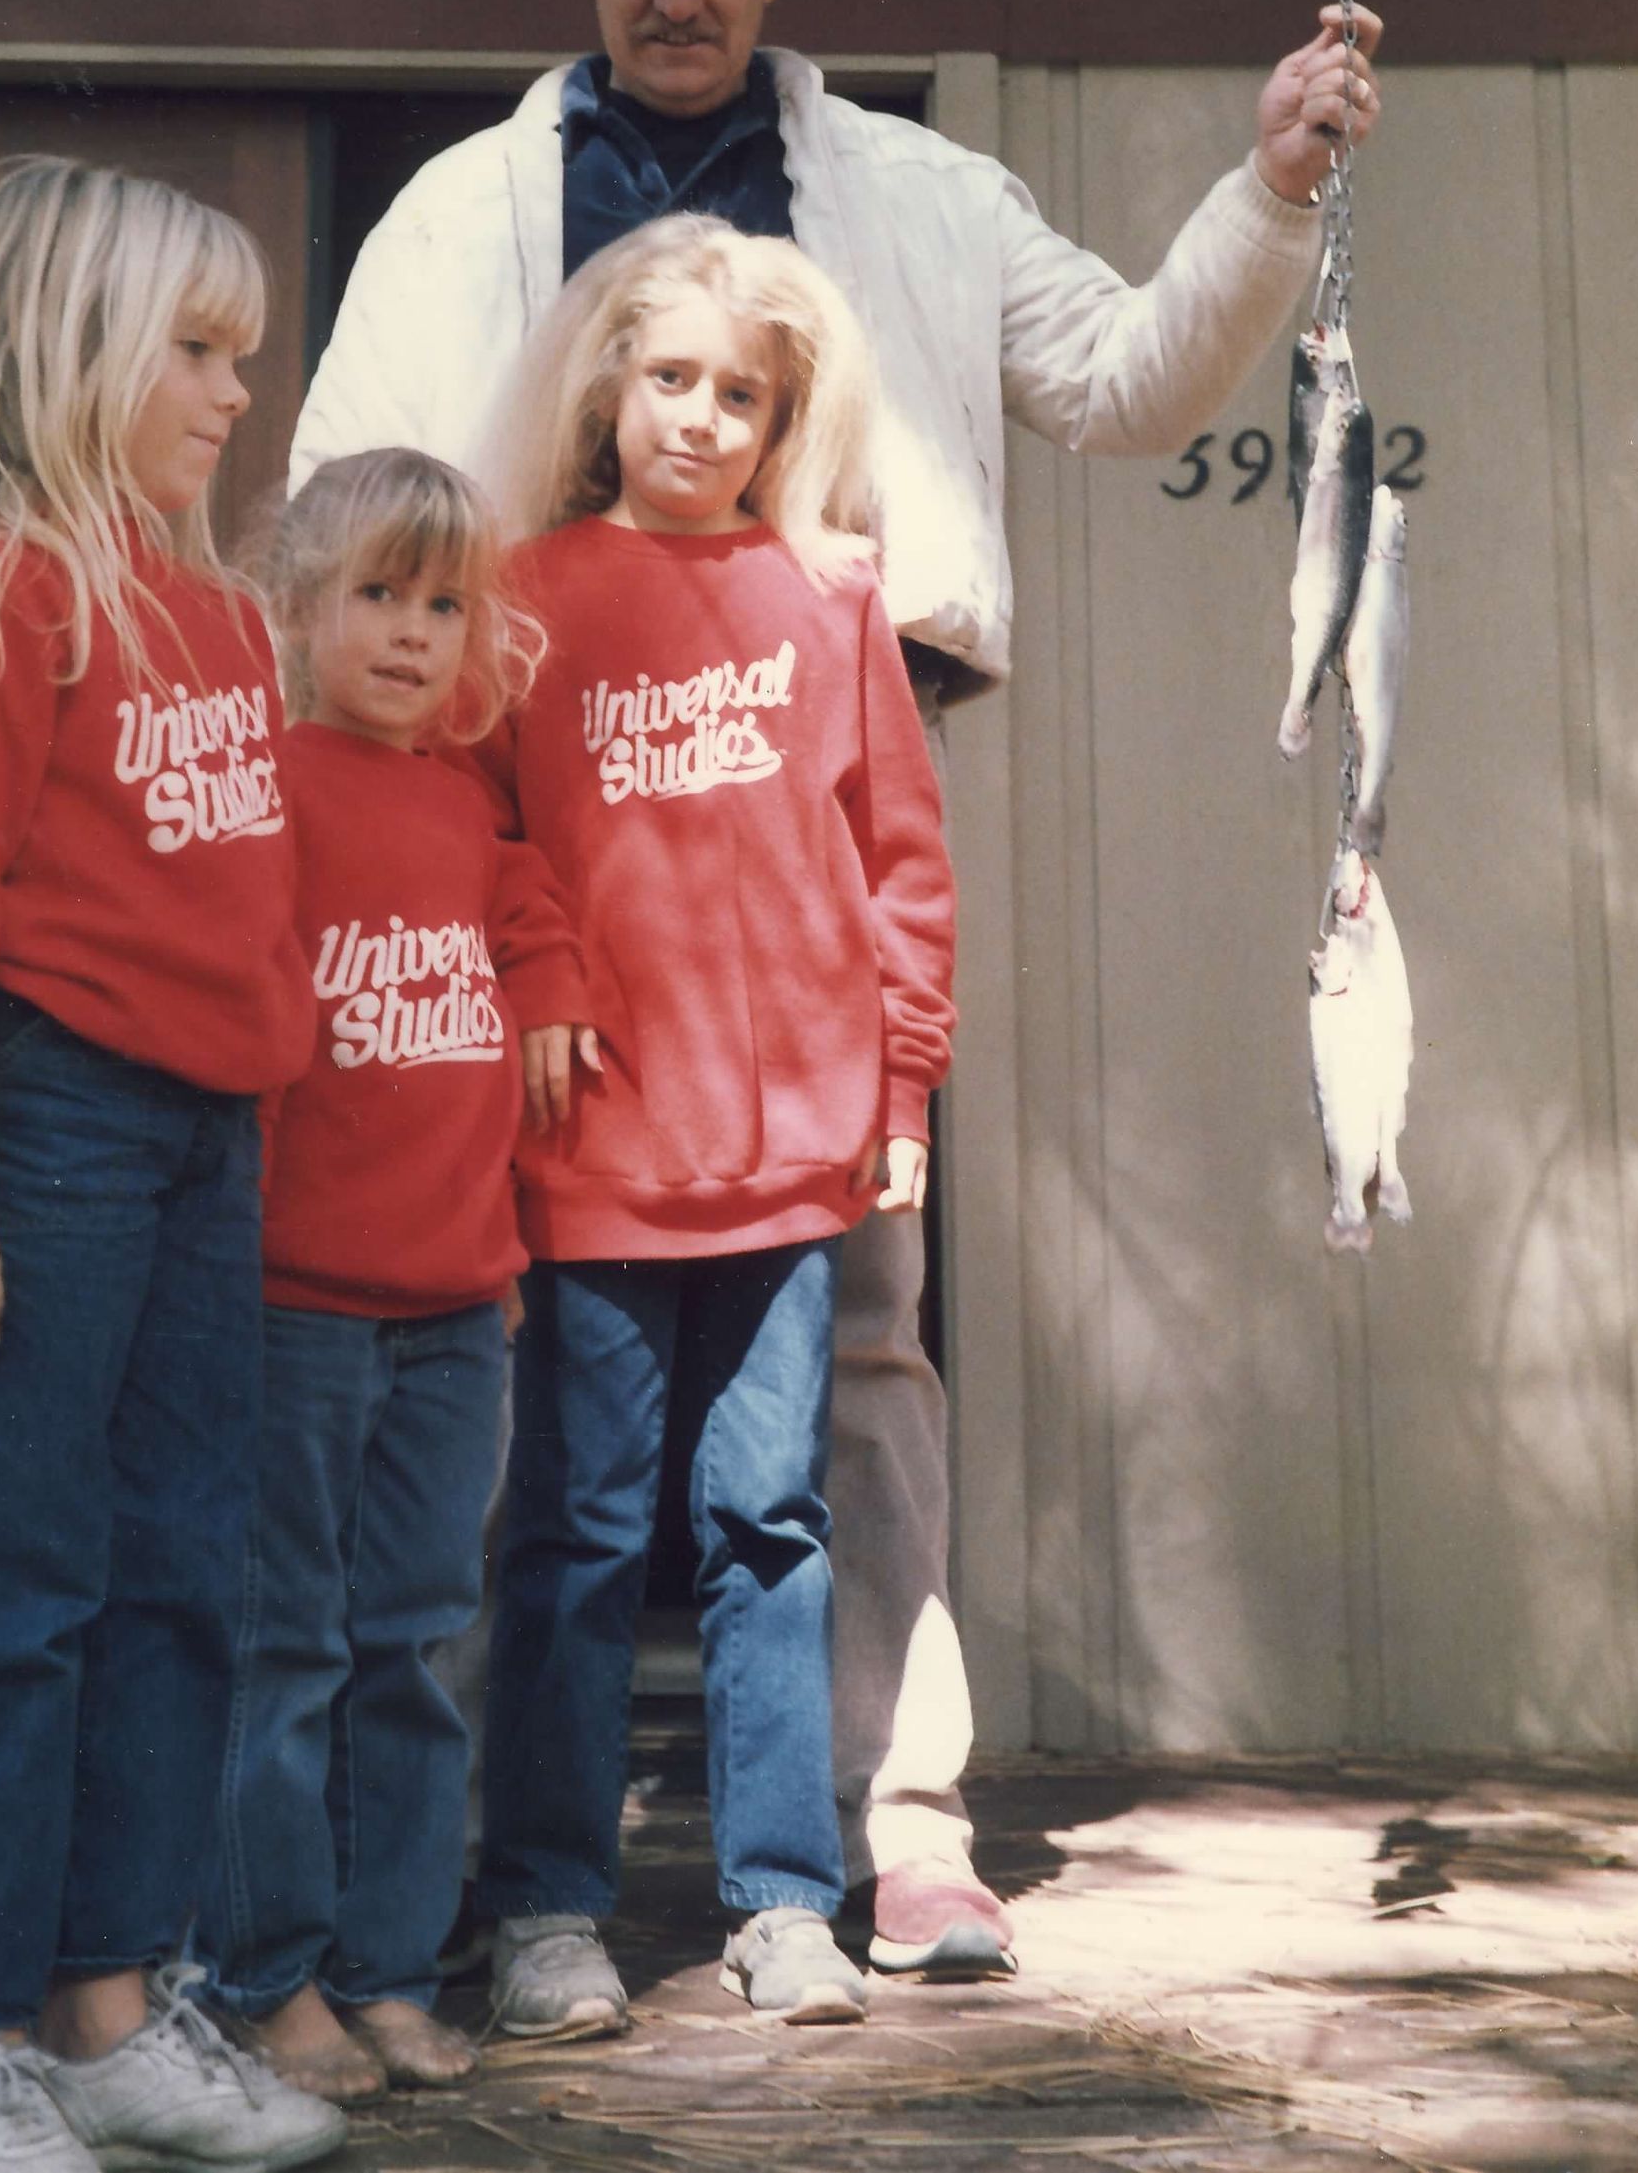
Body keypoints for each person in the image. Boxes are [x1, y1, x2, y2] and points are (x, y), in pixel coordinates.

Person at [289, 0, 1385, 1975]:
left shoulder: (913, 186)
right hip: (542, 825)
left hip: (807, 805)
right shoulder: (465, 210)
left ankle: (891, 1816)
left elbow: (1129, 372)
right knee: (505, 1345)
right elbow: (342, 495)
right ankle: (488, 1854)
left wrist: (1272, 189)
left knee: (856, 1342)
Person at [0, 159, 344, 2173]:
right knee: (17, 1585)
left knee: (178, 1576)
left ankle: (108, 2011)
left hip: (202, 1148)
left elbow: (241, 917)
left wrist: (259, 1113)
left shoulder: (211, 609)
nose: (236, 391)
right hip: (43, 1130)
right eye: (195, 351)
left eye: (242, 352)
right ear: (71, 349)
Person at [473, 217, 955, 2035]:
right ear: (608, 387)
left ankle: (782, 1898)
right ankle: (544, 1905)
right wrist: (536, 974)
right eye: (670, 378)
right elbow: (471, 838)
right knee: (579, 1531)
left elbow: (904, 864)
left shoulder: (830, 594)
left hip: (789, 1153)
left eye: (739, 393)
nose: (699, 417)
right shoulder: (521, 591)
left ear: (781, 419)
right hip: (596, 1148)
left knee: (771, 1521)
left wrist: (901, 1082)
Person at [197, 449, 589, 2102]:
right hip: (295, 1306)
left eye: (444, 604)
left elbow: (527, 905)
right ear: (298, 610)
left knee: (416, 1648)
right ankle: (265, 1974)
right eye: (378, 595)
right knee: (285, 1649)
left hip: (456, 1309)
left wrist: (550, 984)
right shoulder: (272, 789)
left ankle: (388, 1966)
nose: (415, 633)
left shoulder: (458, 804)